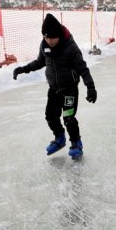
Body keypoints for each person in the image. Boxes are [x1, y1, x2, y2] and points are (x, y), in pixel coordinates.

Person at [13, 14, 97, 159]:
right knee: (50, 116)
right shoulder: (44, 45)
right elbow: (40, 62)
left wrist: (90, 87)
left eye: (52, 37)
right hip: (54, 90)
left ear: (58, 35)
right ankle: (60, 138)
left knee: (68, 117)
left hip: (70, 89)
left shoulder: (70, 47)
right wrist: (23, 69)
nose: (49, 41)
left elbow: (82, 68)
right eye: (46, 37)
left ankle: (76, 143)